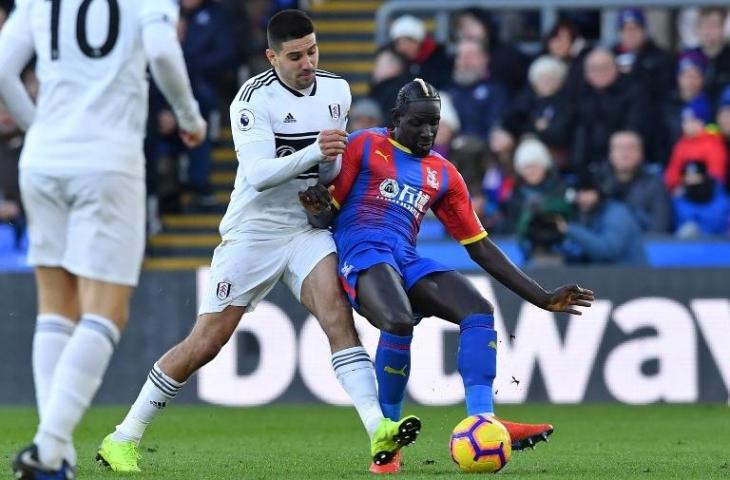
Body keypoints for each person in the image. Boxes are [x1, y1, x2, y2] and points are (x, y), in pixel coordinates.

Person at [95, 10, 419, 474]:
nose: (307, 62)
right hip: (254, 232)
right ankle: (123, 437)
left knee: (337, 318)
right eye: (295, 56)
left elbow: (326, 167)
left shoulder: (337, 90)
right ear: (272, 56)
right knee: (207, 342)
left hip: (304, 230)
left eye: (312, 51)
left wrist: (325, 182)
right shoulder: (252, 98)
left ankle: (378, 431)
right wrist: (316, 152)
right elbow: (258, 174)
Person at [299, 79, 594, 473]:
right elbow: (327, 213)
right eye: (418, 123)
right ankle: (386, 440)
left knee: (478, 310)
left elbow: (480, 246)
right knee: (399, 319)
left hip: (405, 257)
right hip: (364, 252)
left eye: (433, 125)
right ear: (395, 119)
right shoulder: (365, 144)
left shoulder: (444, 173)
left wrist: (541, 298)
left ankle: (483, 419)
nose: (427, 133)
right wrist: (317, 210)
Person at [0, 0, 207, 478]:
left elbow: (6, 71)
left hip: (43, 160)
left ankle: (54, 454)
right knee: (106, 310)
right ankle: (49, 447)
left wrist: (43, 130)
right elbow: (161, 53)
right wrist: (190, 118)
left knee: (55, 306)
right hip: (107, 161)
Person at [557, 175, 645, 265]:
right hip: (604, 275)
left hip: (631, 275)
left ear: (601, 193)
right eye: (580, 192)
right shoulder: (585, 214)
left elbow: (608, 251)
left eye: (588, 192)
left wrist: (569, 229)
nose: (583, 197)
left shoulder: (617, 213)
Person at [598, 131, 672, 233]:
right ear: (610, 154)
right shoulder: (598, 183)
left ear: (641, 154)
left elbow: (660, 224)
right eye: (619, 148)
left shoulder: (655, 185)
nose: (625, 153)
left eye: (631, 148)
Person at [389, 14, 452, 89]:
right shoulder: (396, 60)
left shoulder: (439, 58)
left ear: (417, 41)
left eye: (406, 42)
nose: (402, 47)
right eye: (398, 43)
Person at [673, 160, 730, 238]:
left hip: (721, 241)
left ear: (704, 177)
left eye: (696, 176)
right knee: (689, 228)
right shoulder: (678, 200)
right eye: (688, 177)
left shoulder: (720, 195)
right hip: (692, 245)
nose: (692, 180)